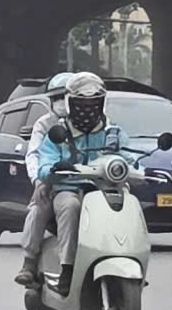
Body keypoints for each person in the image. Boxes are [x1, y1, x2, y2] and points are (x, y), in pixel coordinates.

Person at [17, 72, 127, 287]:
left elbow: (125, 155)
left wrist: (132, 169)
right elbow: (38, 156)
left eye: (92, 102)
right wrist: (43, 177)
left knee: (126, 202)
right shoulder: (50, 126)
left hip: (99, 187)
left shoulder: (109, 128)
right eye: (56, 98)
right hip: (63, 185)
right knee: (54, 205)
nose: (87, 107)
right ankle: (41, 263)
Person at [11, 72, 78, 286]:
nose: (60, 102)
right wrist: (39, 180)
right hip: (59, 183)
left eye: (64, 96)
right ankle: (30, 262)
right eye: (56, 97)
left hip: (93, 185)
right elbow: (35, 154)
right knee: (40, 205)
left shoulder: (101, 124)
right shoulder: (45, 124)